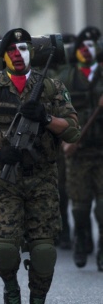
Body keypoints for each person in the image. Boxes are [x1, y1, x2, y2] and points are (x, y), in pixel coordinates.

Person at [0, 28, 80, 304]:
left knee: (43, 251)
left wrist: (46, 118)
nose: (18, 53)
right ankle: (11, 290)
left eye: (24, 49)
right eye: (12, 49)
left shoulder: (52, 88)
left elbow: (72, 131)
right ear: (4, 55)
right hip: (5, 181)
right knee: (4, 248)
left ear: (32, 53)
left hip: (42, 178)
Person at [57, 26, 103, 270]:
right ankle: (80, 238)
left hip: (101, 152)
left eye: (90, 47)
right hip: (78, 152)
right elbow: (56, 112)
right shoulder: (67, 76)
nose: (87, 50)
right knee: (81, 207)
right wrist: (65, 141)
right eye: (82, 47)